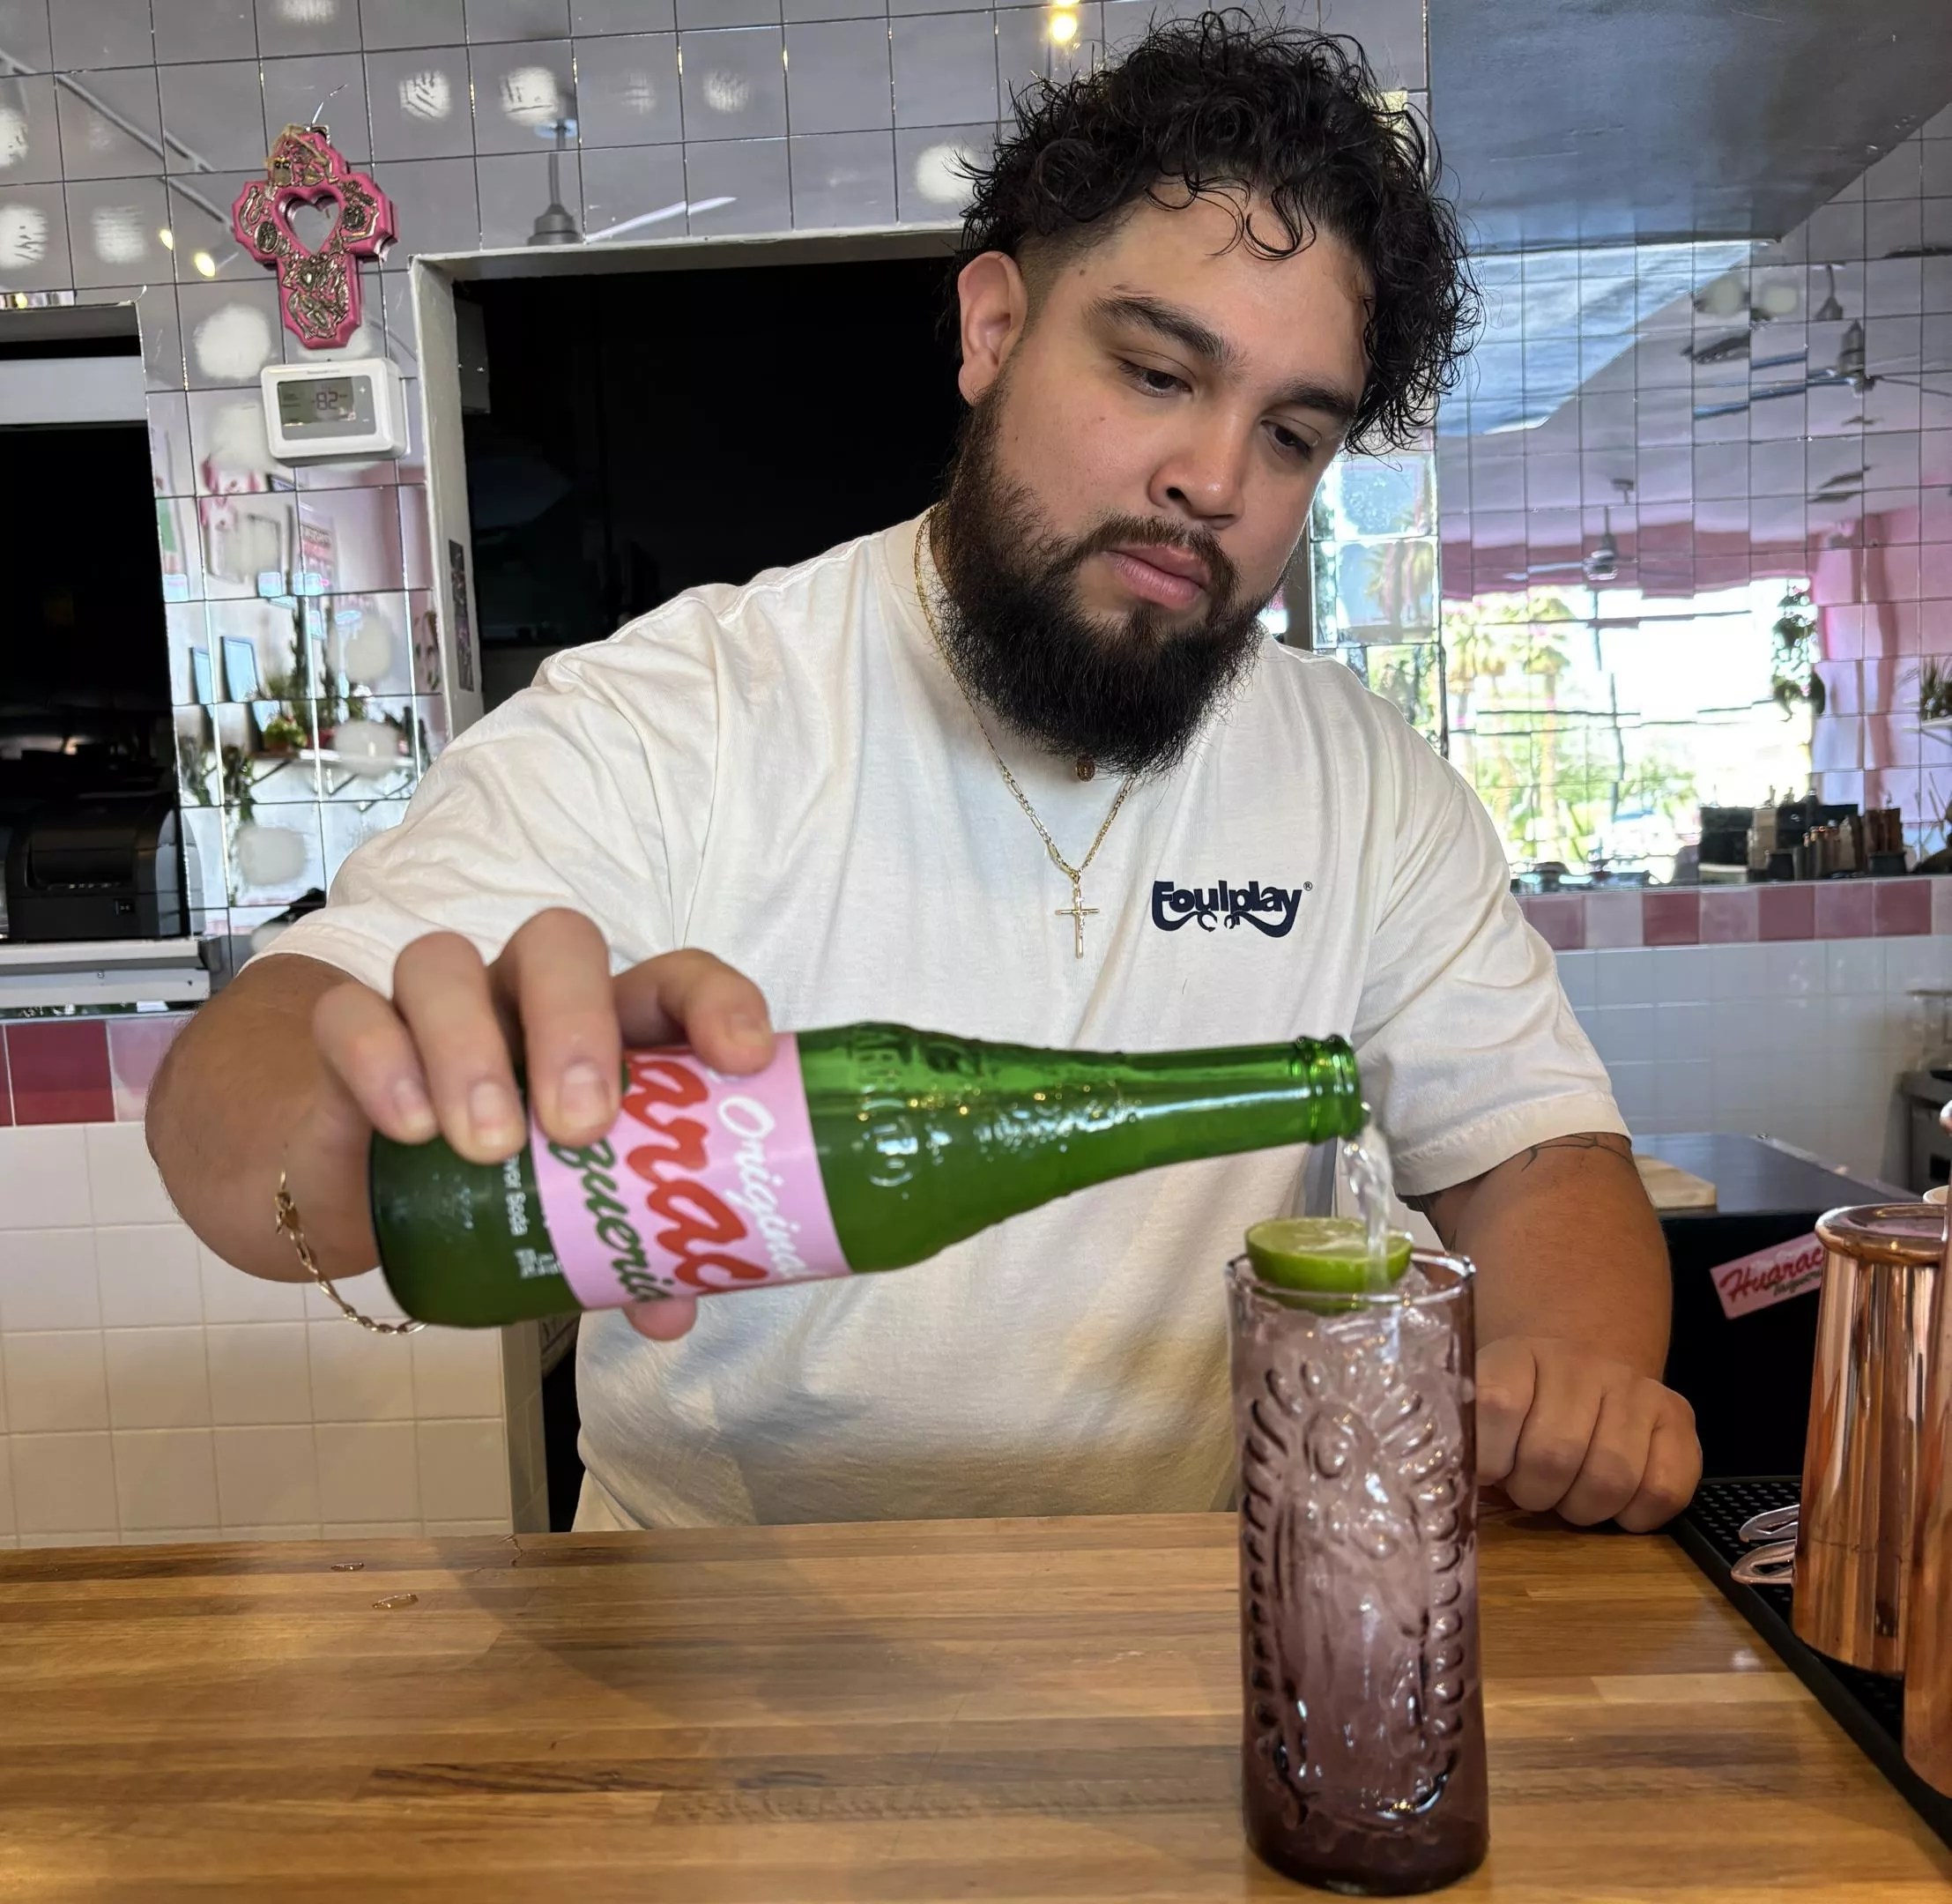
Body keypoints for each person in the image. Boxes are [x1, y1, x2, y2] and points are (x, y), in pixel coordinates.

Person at [149, 15, 1700, 1535]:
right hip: (699, 1631)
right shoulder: (686, 710)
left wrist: (1572, 1379)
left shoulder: (1363, 783)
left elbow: (1543, 1162)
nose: (1215, 480)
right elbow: (237, 1111)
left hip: (1177, 1624)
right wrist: (377, 1113)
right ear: (995, 329)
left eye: (1291, 435)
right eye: (1158, 373)